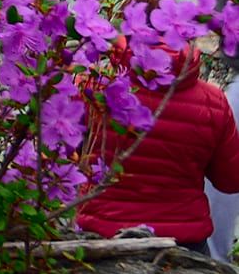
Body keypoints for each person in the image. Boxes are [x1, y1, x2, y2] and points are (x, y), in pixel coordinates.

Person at [80, 54, 239, 247]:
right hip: (183, 241)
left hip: (100, 234)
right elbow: (231, 181)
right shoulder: (213, 101)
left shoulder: (94, 88)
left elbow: (62, 155)